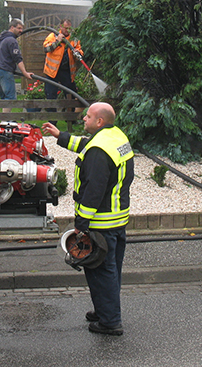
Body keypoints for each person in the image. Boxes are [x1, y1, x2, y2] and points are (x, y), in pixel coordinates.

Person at [42, 103, 133, 336]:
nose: (83, 118)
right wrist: (59, 136)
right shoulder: (114, 137)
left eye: (88, 116)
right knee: (111, 270)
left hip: (100, 224)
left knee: (100, 271)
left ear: (100, 121)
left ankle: (110, 321)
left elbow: (93, 191)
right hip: (117, 222)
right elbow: (86, 145)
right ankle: (105, 309)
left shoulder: (99, 153)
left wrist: (81, 225)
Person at [0, 18, 33, 113]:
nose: (21, 31)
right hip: (4, 71)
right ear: (12, 27)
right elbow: (18, 58)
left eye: (22, 29)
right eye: (18, 28)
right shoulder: (12, 41)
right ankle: (5, 121)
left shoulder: (1, 38)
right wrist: (25, 73)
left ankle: (4, 120)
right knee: (10, 97)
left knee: (4, 97)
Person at [43, 19, 83, 105]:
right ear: (60, 27)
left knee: (71, 94)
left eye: (69, 28)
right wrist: (58, 41)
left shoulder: (74, 39)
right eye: (65, 28)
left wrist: (77, 53)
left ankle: (70, 117)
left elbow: (80, 52)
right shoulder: (52, 36)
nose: (67, 30)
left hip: (67, 72)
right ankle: (52, 118)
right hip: (52, 72)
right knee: (50, 96)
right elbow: (46, 49)